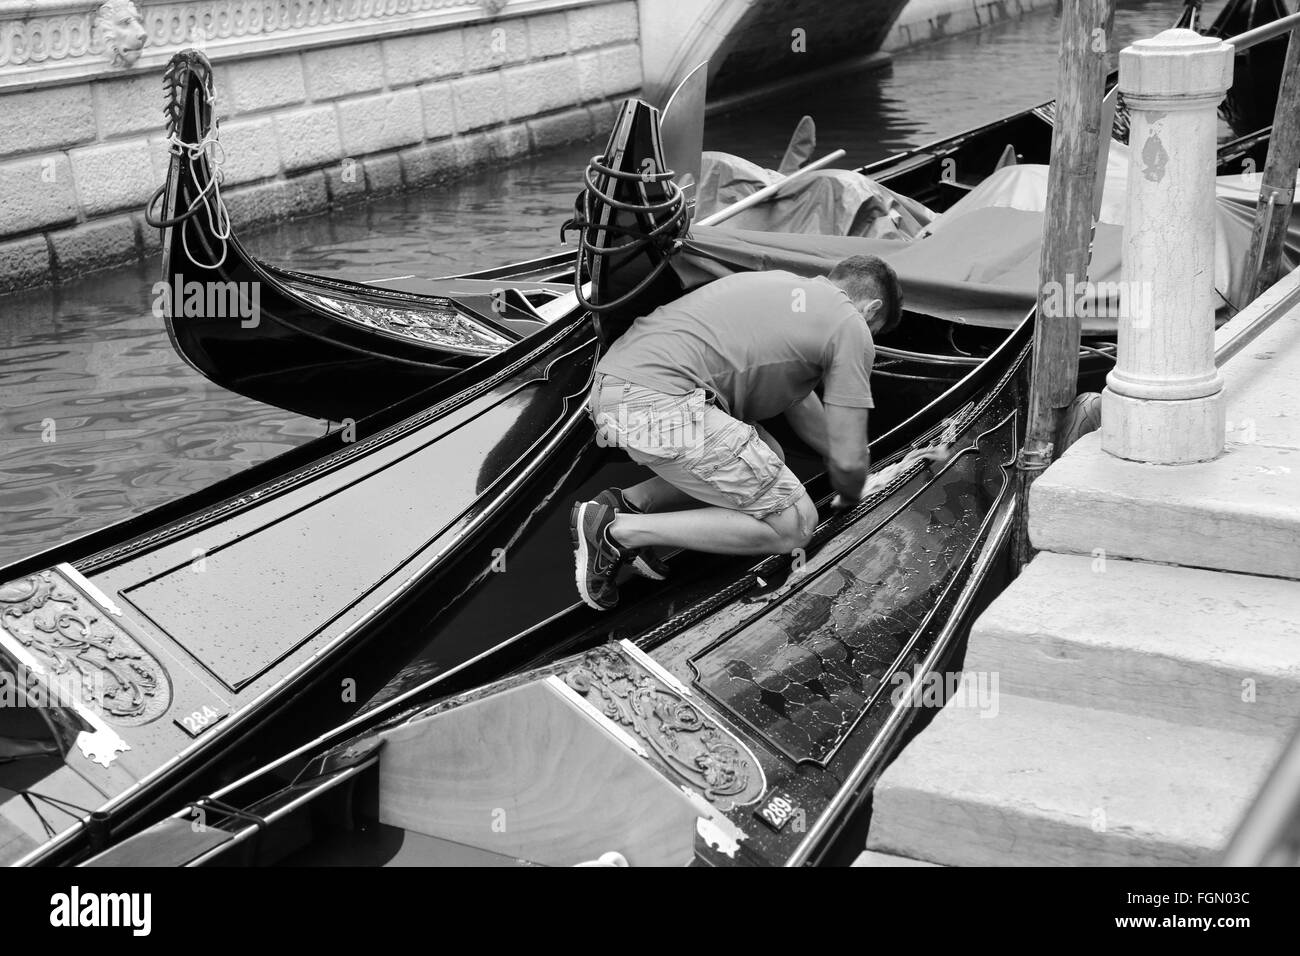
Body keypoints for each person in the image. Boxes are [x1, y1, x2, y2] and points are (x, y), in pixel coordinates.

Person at [570, 254, 903, 610]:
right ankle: (614, 531)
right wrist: (865, 482)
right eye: (875, 330)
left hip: (616, 389)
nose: (869, 338)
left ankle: (629, 504)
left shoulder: (785, 288)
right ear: (870, 309)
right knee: (795, 526)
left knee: (770, 455)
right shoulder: (850, 323)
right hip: (655, 403)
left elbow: (803, 407)